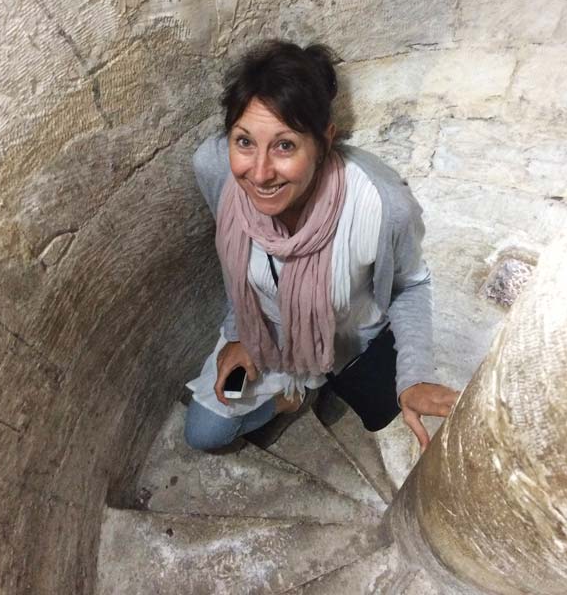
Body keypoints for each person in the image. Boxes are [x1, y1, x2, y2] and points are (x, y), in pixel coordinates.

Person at [184, 40, 458, 453]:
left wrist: (414, 374)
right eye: (244, 141)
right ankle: (287, 400)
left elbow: (410, 287)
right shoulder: (217, 169)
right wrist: (240, 332)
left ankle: (319, 382)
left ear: (324, 141)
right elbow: (233, 261)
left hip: (342, 341)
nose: (258, 174)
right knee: (204, 432)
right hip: (265, 333)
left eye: (285, 145)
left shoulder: (382, 206)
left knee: (376, 406)